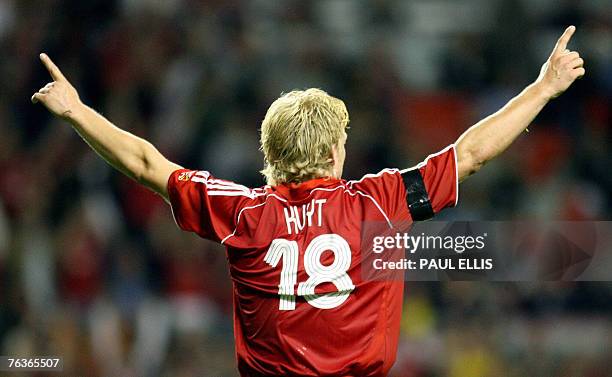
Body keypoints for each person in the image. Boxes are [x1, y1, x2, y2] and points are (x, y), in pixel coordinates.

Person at [32, 26, 584, 376]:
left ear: (269, 152)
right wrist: (542, 88)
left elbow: (149, 164)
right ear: (337, 149)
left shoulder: (243, 214)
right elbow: (469, 155)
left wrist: (79, 111)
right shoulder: (379, 203)